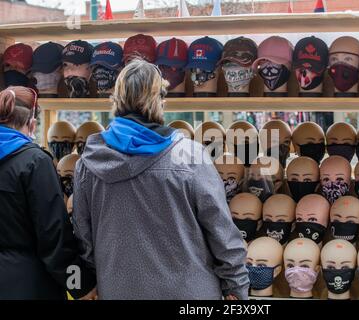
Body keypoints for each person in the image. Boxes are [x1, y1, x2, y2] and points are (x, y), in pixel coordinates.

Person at [73, 59, 249, 300]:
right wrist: (237, 287)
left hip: (118, 289)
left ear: (116, 100)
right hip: (190, 293)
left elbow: (84, 240)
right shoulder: (190, 156)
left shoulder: (88, 163)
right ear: (160, 101)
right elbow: (222, 232)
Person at [0, 86, 96, 299]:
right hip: (28, 286)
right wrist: (81, 284)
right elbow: (54, 239)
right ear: (32, 125)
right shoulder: (35, 163)